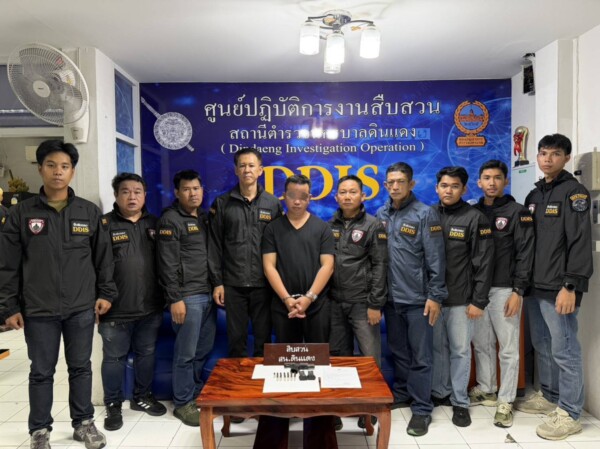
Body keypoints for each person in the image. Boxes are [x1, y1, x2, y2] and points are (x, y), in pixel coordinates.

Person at [0, 140, 116, 449]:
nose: (58, 172)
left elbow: (103, 259)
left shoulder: (88, 212)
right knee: (41, 372)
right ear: (40, 169)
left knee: (81, 367)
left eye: (64, 166)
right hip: (38, 309)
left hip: (80, 307)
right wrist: (9, 307)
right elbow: (7, 265)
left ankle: (84, 423)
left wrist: (106, 293)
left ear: (72, 172)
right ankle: (40, 430)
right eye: (51, 165)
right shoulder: (21, 214)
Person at [514, 134, 593, 440]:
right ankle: (549, 395)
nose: (547, 159)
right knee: (543, 345)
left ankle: (570, 413)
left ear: (566, 158)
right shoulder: (535, 195)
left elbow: (580, 242)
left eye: (555, 154)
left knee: (565, 349)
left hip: (560, 286)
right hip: (535, 285)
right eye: (543, 153)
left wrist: (570, 285)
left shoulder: (574, 193)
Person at [253, 174, 336, 449]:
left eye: (303, 196)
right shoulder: (273, 228)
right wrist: (288, 299)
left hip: (316, 306)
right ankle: (282, 420)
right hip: (283, 307)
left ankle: (318, 428)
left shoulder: (322, 228)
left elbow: (328, 266)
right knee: (284, 368)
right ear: (284, 196)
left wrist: (309, 298)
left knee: (318, 366)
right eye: (292, 196)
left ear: (310, 198)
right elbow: (269, 266)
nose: (297, 201)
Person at [376, 162, 447, 437]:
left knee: (421, 356)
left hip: (419, 299)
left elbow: (436, 258)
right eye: (391, 182)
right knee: (398, 351)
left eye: (401, 182)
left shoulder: (425, 214)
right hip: (391, 299)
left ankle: (421, 408)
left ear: (411, 184)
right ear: (385, 185)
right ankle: (403, 394)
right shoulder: (381, 214)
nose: (395, 186)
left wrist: (435, 296)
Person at [98, 173, 166, 431]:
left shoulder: (156, 224)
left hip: (150, 306)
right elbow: (94, 265)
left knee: (146, 354)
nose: (132, 196)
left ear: (145, 195)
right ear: (116, 195)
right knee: (113, 359)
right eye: (125, 191)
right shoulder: (104, 225)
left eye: (137, 191)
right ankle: (113, 404)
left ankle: (142, 396)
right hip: (115, 308)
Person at [470, 160, 535, 428]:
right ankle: (487, 388)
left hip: (504, 289)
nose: (492, 182)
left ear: (505, 181)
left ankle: (506, 400)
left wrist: (518, 291)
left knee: (508, 349)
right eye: (487, 178)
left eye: (497, 178)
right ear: (479, 182)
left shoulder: (517, 212)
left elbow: (525, 254)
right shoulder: (473, 212)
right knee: (481, 343)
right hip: (477, 291)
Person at [432, 166, 494, 428]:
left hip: (461, 299)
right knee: (438, 349)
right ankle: (440, 393)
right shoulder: (428, 215)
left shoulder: (475, 218)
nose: (449, 190)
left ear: (464, 189)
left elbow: (484, 262)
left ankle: (460, 402)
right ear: (437, 188)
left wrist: (478, 301)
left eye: (455, 186)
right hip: (434, 299)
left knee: (460, 351)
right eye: (444, 185)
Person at [208, 147, 282, 358]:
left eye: (251, 165)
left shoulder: (273, 204)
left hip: (264, 285)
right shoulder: (222, 203)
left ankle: (262, 380)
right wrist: (217, 283)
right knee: (236, 342)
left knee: (264, 341)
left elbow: (280, 246)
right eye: (242, 166)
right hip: (233, 285)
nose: (247, 170)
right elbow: (214, 245)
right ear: (236, 170)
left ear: (260, 170)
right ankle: (237, 380)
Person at [156, 169, 217, 427]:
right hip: (187, 298)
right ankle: (182, 402)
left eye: (196, 188)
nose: (193, 193)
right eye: (187, 189)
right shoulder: (170, 220)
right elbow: (166, 263)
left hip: (207, 294)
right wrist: (175, 298)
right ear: (177, 192)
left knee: (202, 349)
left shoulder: (203, 217)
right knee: (185, 353)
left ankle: (194, 392)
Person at [329, 174, 388, 430]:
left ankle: (370, 408)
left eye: (353, 192)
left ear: (363, 195)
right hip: (334, 302)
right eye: (343, 192)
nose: (347, 196)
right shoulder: (328, 225)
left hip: (363, 303)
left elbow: (380, 265)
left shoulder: (373, 225)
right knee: (337, 357)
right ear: (336, 196)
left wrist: (375, 304)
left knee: (369, 357)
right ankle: (338, 407)